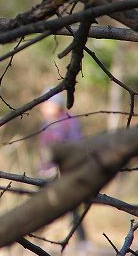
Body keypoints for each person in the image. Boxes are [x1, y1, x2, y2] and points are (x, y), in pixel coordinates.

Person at [38, 89, 87, 243]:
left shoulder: (69, 122)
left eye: (46, 104)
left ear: (56, 105)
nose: (43, 108)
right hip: (47, 172)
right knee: (41, 204)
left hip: (65, 171)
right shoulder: (45, 123)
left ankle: (82, 240)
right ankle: (38, 237)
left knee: (72, 206)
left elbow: (76, 145)